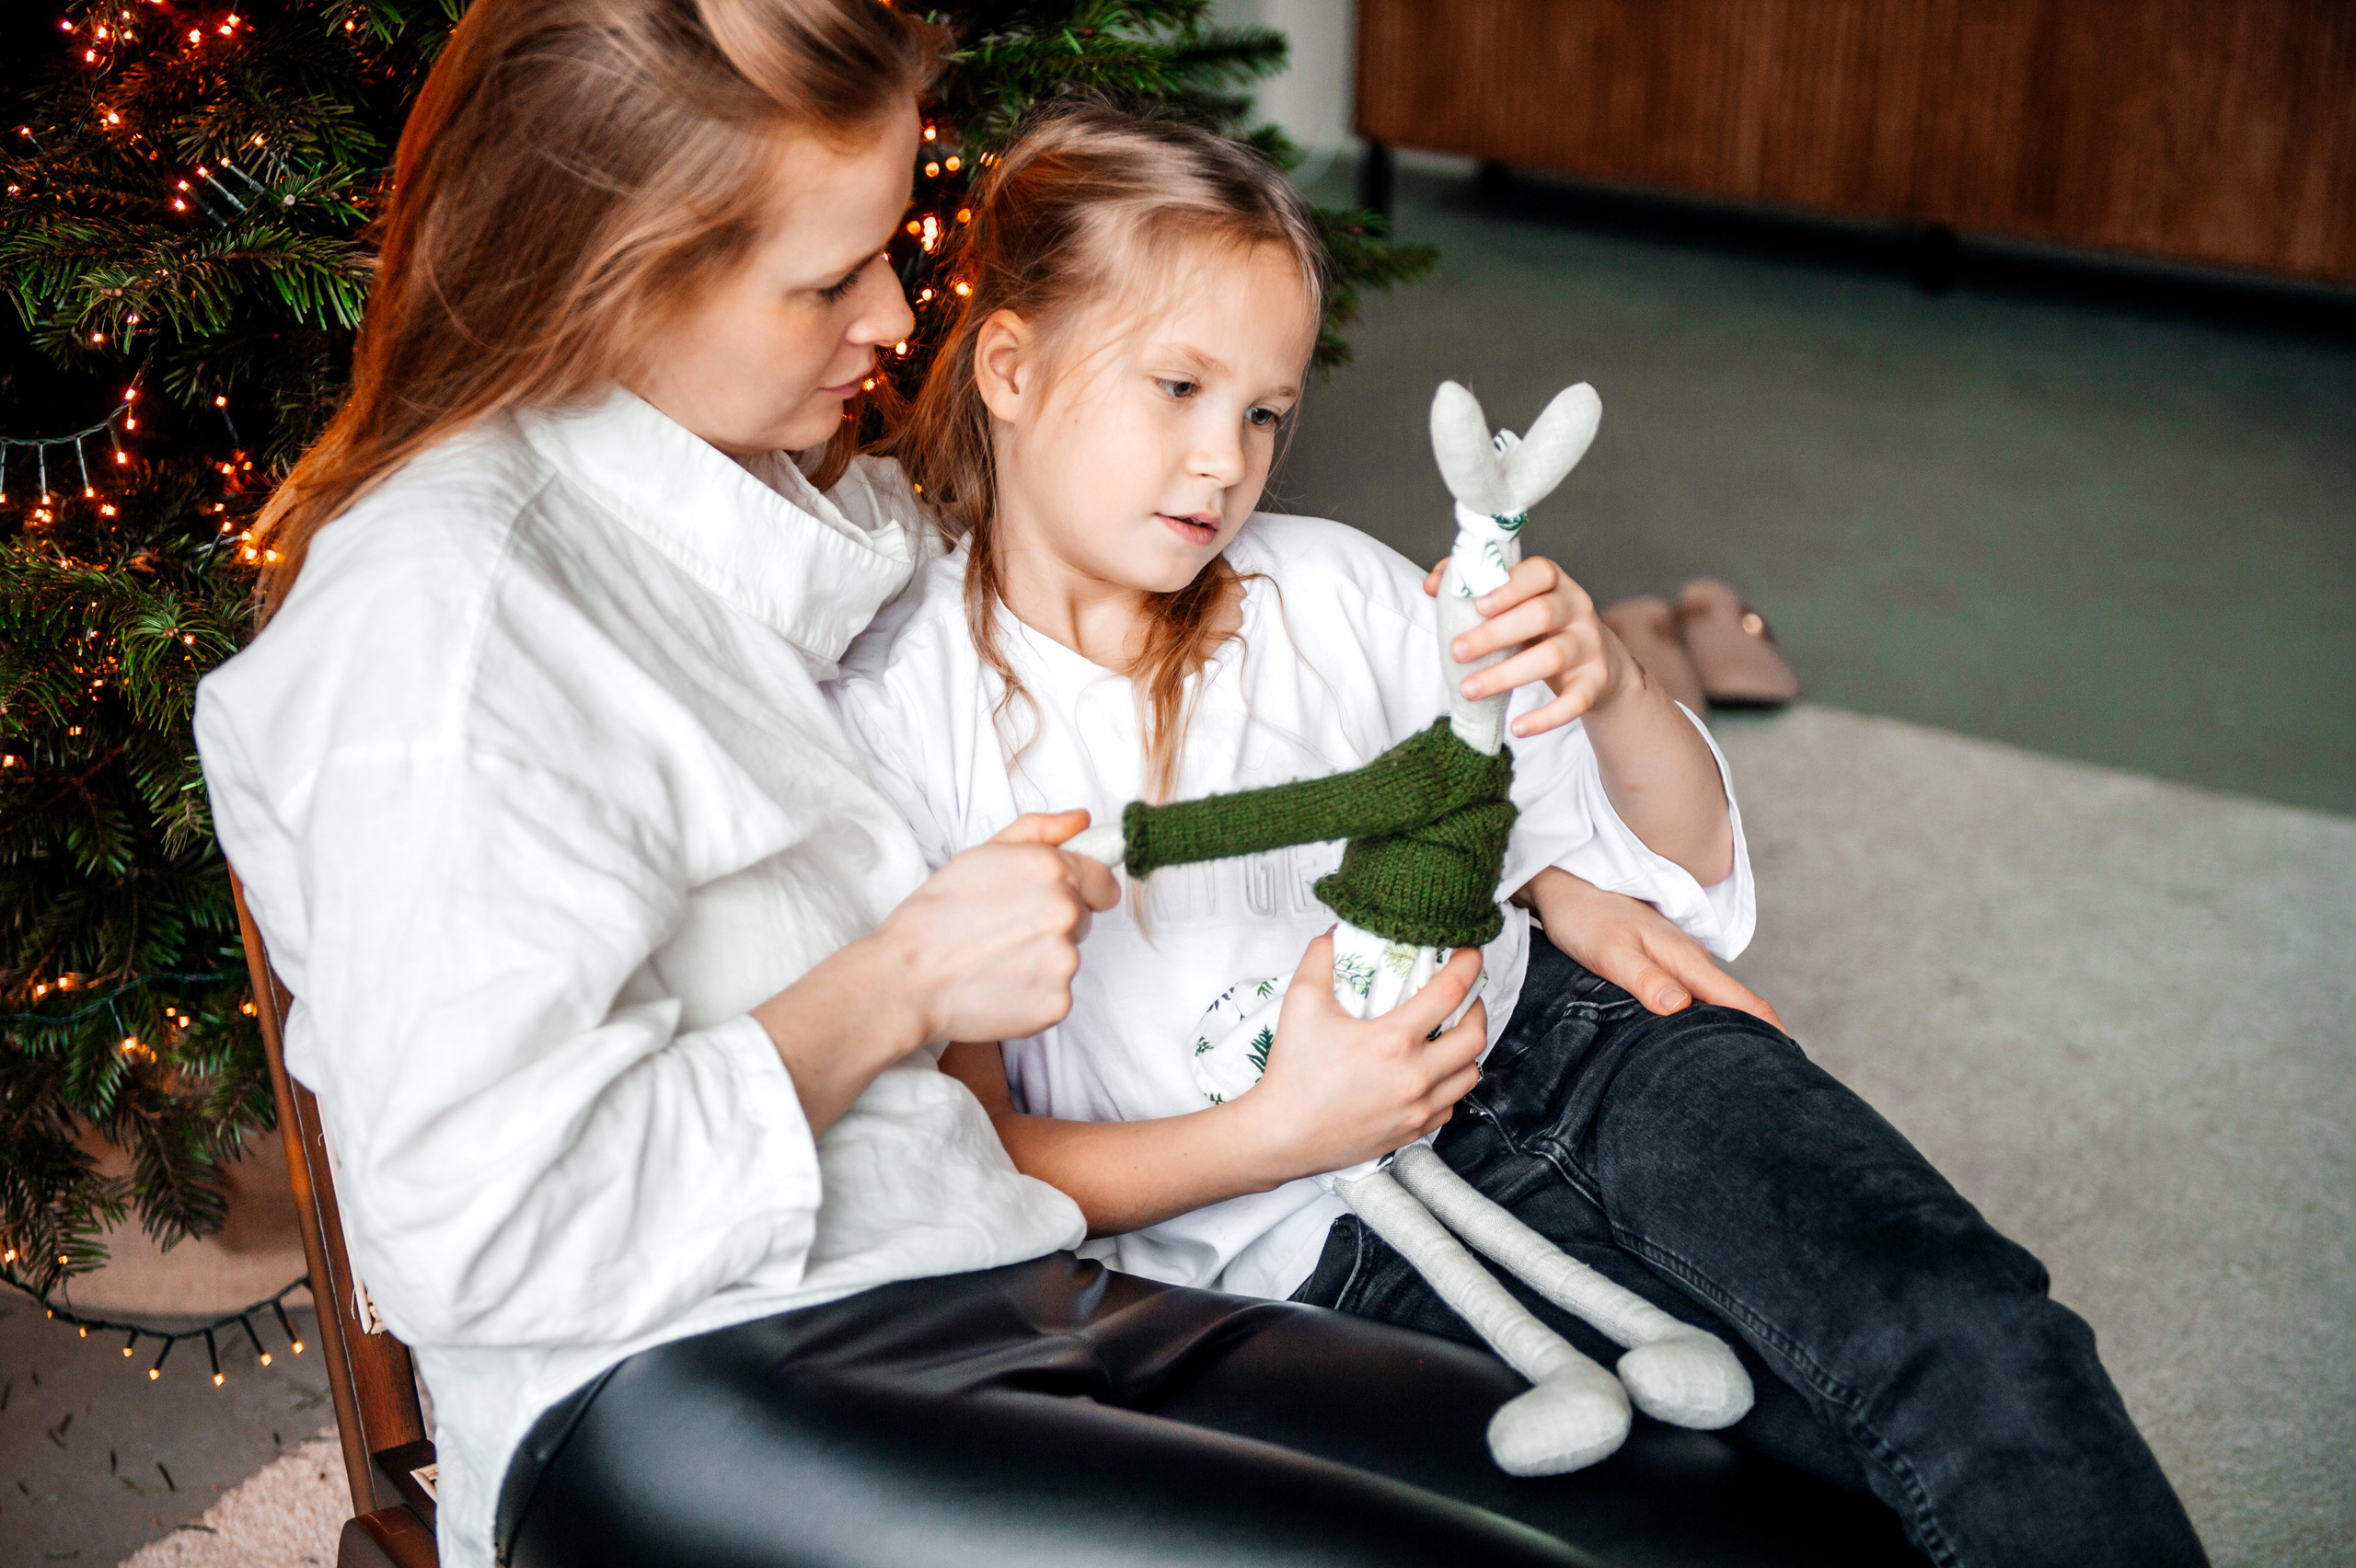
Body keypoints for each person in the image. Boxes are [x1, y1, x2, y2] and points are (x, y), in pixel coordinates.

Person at [189, 6, 1797, 1567]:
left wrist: (1537, 849)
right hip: (700, 1389)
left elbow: (1054, 536)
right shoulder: (440, 624)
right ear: (623, 277)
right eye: (830, 279)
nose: (900, 317)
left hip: (1006, 1280)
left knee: (1713, 1513)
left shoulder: (756, 513)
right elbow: (490, 1237)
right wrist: (899, 985)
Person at [827, 104, 2210, 1568]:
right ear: (1012, 366)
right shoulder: (908, 719)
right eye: (1178, 387)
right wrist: (1281, 1130)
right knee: (1757, 1507)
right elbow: (980, 1156)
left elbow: (1645, 870)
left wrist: (1613, 695)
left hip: (1560, 1048)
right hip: (1317, 1241)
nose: (1226, 462)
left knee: (1974, 1333)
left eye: (1264, 412)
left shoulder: (1335, 589)